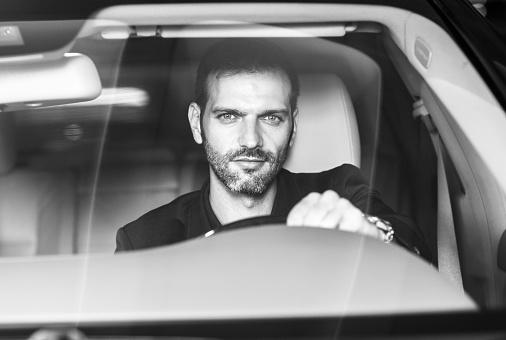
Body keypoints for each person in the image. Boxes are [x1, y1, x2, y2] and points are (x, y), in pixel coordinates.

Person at [115, 38, 431, 261]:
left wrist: (374, 239)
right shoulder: (146, 244)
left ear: (292, 126)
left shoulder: (340, 193)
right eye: (229, 116)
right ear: (197, 124)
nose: (251, 139)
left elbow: (412, 249)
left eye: (270, 118)